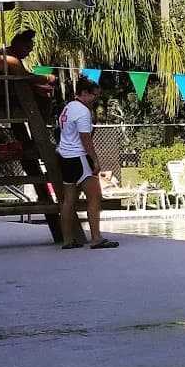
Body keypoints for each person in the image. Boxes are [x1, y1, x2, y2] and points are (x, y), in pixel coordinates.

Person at [57, 78, 118, 250]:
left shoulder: (68, 107)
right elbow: (85, 139)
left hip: (65, 157)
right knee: (94, 197)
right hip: (79, 157)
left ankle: (67, 240)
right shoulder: (83, 112)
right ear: (84, 93)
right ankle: (96, 238)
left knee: (69, 200)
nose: (96, 99)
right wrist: (95, 160)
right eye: (94, 95)